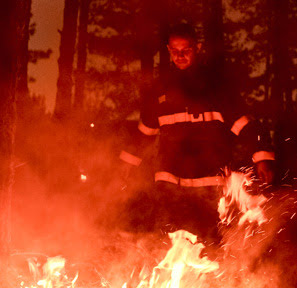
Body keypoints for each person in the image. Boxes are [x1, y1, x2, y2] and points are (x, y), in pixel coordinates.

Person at [118, 23, 276, 244]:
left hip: (209, 183)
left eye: (186, 50)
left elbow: (245, 125)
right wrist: (126, 164)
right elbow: (144, 133)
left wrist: (262, 157)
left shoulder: (216, 87)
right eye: (174, 51)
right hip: (169, 182)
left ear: (198, 48)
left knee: (208, 244)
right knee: (171, 245)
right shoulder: (160, 89)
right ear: (168, 50)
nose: (180, 56)